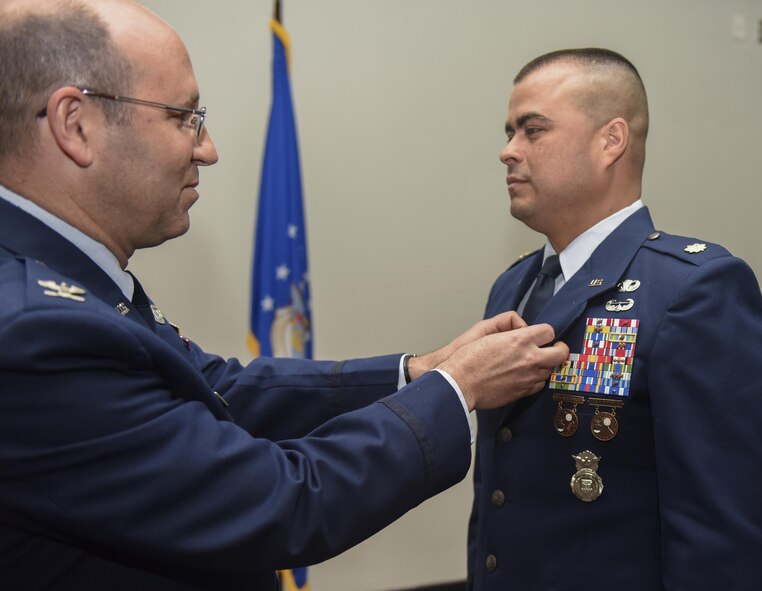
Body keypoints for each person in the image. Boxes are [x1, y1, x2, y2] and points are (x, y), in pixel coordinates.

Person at [0, 1, 570, 589]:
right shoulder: (33, 334)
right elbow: (277, 500)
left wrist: (421, 371)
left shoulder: (66, 280)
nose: (208, 148)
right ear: (76, 125)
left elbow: (221, 392)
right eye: (183, 117)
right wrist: (459, 389)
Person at [467, 48, 762, 590]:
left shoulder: (694, 289)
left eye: (532, 130)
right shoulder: (515, 286)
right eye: (509, 131)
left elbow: (729, 537)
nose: (507, 151)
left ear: (610, 141)